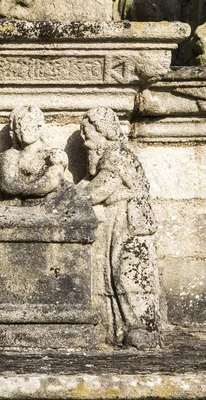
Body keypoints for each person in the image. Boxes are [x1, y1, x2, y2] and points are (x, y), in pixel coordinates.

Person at [81, 107, 160, 349]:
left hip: (129, 223)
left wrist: (65, 197)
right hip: (119, 221)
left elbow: (97, 191)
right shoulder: (111, 157)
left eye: (88, 133)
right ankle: (125, 327)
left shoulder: (116, 156)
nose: (85, 141)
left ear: (103, 132)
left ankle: (142, 328)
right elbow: (91, 183)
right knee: (115, 274)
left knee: (128, 274)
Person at [0, 105, 68, 198]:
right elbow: (7, 186)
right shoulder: (11, 155)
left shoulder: (54, 155)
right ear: (13, 132)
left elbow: (51, 182)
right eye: (19, 126)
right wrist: (30, 189)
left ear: (39, 127)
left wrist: (23, 189)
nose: (24, 130)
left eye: (29, 124)